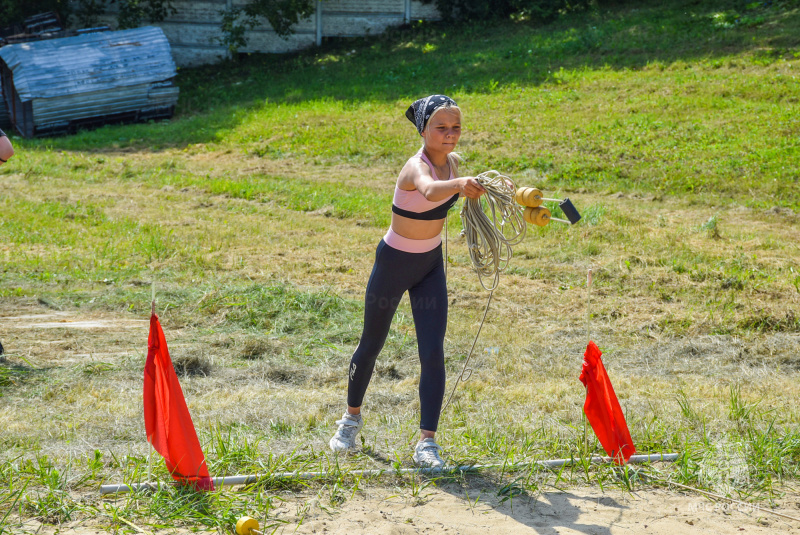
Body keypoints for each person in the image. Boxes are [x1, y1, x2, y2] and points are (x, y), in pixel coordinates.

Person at [329, 95, 486, 467]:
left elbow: (453, 190)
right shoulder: (415, 167)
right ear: (423, 130)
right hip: (394, 264)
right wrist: (460, 183)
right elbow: (431, 191)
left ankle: (426, 444)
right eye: (441, 128)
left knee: (432, 352)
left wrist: (478, 189)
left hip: (429, 266)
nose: (450, 135)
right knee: (371, 344)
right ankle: (350, 420)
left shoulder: (455, 164)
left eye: (456, 128)